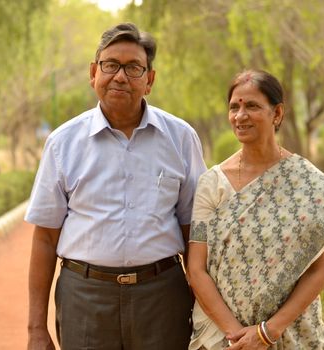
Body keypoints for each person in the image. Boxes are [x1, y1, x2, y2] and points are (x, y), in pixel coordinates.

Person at [25, 22, 206, 350]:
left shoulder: (181, 139)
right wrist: (36, 328)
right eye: (110, 65)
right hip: (84, 297)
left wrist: (205, 307)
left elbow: (193, 231)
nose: (120, 76)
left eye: (134, 67)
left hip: (162, 297)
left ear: (149, 80)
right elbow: (45, 237)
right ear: (94, 72)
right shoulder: (62, 143)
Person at [187, 69, 324, 350]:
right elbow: (196, 269)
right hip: (222, 336)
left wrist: (268, 332)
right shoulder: (212, 184)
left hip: (290, 333)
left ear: (277, 113)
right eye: (234, 107)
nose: (240, 116)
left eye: (252, 106)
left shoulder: (306, 182)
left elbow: (320, 270)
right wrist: (238, 337)